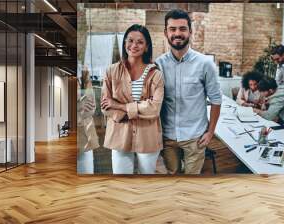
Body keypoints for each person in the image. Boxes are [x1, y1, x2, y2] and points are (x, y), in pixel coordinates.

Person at [155, 9, 222, 174]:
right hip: (168, 136)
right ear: (166, 32)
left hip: (195, 137)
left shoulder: (205, 64)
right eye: (172, 29)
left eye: (182, 29)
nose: (177, 33)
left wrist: (210, 132)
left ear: (190, 32)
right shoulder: (158, 64)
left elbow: (216, 100)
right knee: (173, 176)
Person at [100, 24, 164, 174]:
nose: (134, 45)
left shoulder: (156, 74)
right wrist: (138, 110)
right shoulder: (111, 71)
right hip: (119, 135)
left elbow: (154, 109)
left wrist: (120, 106)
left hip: (148, 136)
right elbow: (105, 106)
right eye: (130, 40)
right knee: (121, 181)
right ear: (125, 43)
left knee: (146, 182)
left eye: (140, 42)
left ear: (147, 47)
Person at [77, 66, 100, 174]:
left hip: (85, 134)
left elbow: (91, 108)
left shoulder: (83, 72)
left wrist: (77, 106)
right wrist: (80, 105)